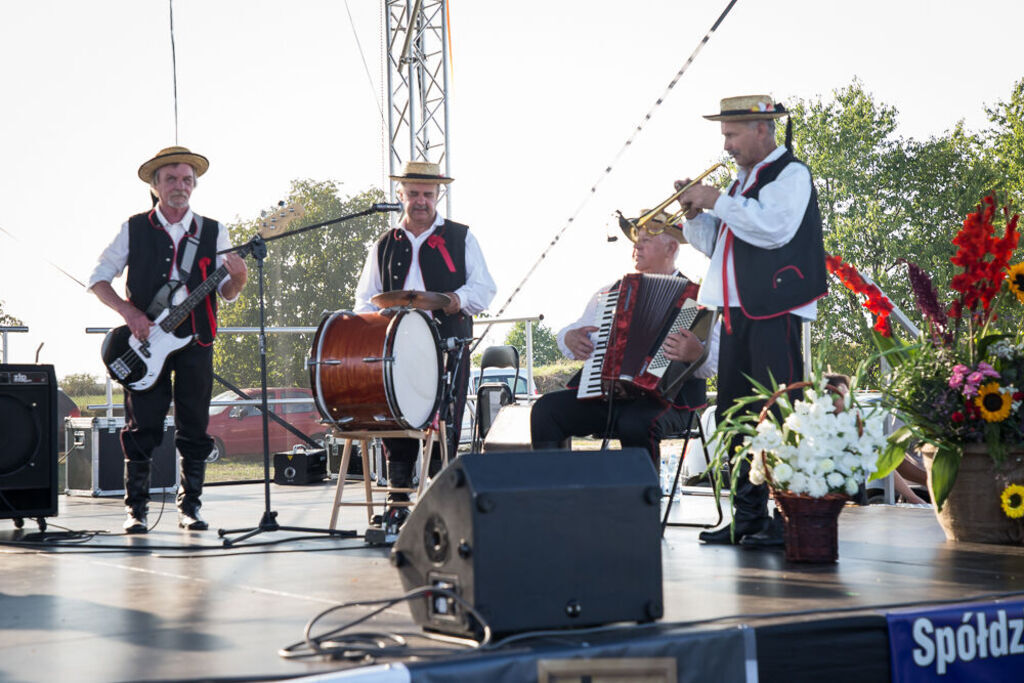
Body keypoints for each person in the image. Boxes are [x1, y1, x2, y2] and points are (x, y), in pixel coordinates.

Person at [676, 95, 828, 548]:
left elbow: (773, 230)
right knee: (735, 413)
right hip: (738, 311)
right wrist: (695, 217)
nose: (726, 146)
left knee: (777, 411)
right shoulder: (742, 184)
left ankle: (786, 516)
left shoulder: (791, 175)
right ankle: (748, 517)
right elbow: (719, 247)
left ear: (762, 129)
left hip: (775, 310)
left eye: (731, 134)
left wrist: (718, 200)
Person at [89, 146, 248, 534]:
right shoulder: (134, 228)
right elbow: (98, 278)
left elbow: (226, 291)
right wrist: (130, 314)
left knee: (194, 424)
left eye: (187, 180)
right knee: (142, 424)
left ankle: (190, 506)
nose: (180, 186)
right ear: (156, 185)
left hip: (196, 341)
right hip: (145, 345)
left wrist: (239, 277)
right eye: (172, 179)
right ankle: (136, 510)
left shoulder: (213, 230)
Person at [354, 160, 496, 531]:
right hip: (396, 348)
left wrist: (452, 299)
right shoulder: (383, 245)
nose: (421, 201)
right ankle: (397, 502)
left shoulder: (461, 236)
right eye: (413, 193)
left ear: (438, 196)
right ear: (400, 194)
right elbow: (365, 300)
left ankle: (441, 506)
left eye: (428, 195)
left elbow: (484, 290)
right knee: (395, 423)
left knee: (443, 422)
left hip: (447, 344)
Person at [530, 211, 719, 464]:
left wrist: (696, 354)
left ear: (671, 247)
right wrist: (568, 338)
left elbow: (713, 364)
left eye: (646, 240)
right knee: (546, 410)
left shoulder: (697, 299)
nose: (636, 247)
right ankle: (554, 493)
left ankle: (644, 500)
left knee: (636, 421)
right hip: (609, 396)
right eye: (635, 241)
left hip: (670, 401)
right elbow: (573, 330)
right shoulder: (611, 292)